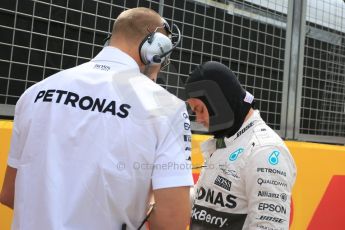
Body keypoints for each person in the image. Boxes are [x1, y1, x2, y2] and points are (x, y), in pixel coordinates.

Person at [0, 7, 194, 230]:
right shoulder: (166, 107)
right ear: (155, 48)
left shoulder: (34, 93)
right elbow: (172, 222)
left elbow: (9, 193)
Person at [184, 61, 296, 230]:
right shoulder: (226, 141)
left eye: (200, 109)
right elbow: (203, 202)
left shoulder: (264, 151)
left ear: (218, 101)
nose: (198, 119)